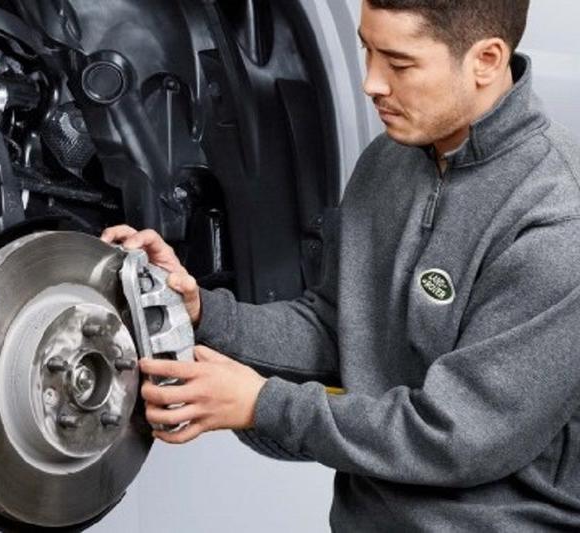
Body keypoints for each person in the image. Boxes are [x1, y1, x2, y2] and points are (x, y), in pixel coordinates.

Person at [103, 0, 580, 529]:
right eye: (367, 51)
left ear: (486, 60)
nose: (372, 83)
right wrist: (200, 313)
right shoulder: (387, 163)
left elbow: (458, 436)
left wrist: (264, 404)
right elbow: (336, 329)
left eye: (399, 63)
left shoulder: (555, 220)